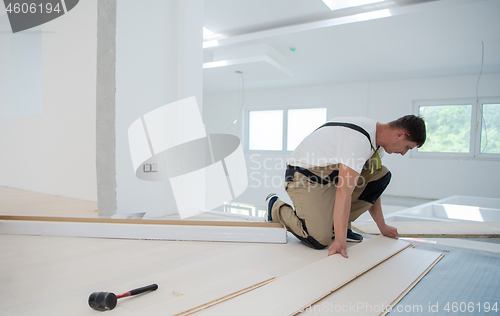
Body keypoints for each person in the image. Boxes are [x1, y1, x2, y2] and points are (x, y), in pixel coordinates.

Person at [265, 115, 426, 258]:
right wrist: (341, 241)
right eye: (407, 147)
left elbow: (372, 187)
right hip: (305, 178)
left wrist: (382, 226)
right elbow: (344, 191)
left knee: (380, 175)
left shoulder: (376, 146)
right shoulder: (358, 140)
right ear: (399, 134)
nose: (404, 153)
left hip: (330, 179)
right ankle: (275, 207)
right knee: (319, 239)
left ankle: (336, 227)